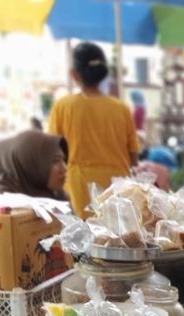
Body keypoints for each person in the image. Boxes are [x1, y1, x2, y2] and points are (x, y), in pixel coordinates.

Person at [48, 42, 139, 218]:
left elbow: (52, 154)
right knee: (116, 240)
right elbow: (133, 157)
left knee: (84, 241)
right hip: (117, 190)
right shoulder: (121, 108)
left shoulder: (62, 107)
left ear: (74, 74)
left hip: (78, 191)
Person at [0, 130, 67, 200]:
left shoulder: (55, 193)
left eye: (63, 160)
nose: (64, 168)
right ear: (31, 163)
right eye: (55, 161)